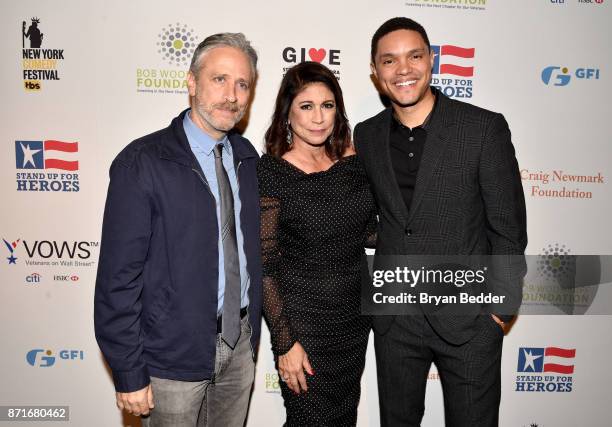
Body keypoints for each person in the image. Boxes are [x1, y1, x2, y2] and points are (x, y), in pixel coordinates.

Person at [354, 17, 527, 427]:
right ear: (376, 73)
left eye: (414, 56)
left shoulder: (482, 128)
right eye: (389, 61)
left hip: (470, 319)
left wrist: (500, 308)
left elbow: (508, 226)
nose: (403, 70)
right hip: (395, 318)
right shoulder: (367, 136)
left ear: (431, 61)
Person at [94, 33, 262, 427]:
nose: (231, 95)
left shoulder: (246, 158)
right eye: (219, 79)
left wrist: (250, 344)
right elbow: (117, 279)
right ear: (191, 81)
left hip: (238, 350)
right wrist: (129, 372)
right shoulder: (143, 162)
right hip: (170, 359)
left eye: (242, 84)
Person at [257, 61, 376, 426]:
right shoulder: (273, 171)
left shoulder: (354, 163)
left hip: (353, 321)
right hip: (303, 325)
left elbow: (367, 232)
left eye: (327, 105)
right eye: (306, 106)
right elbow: (264, 263)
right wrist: (284, 342)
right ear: (287, 114)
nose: (318, 118)